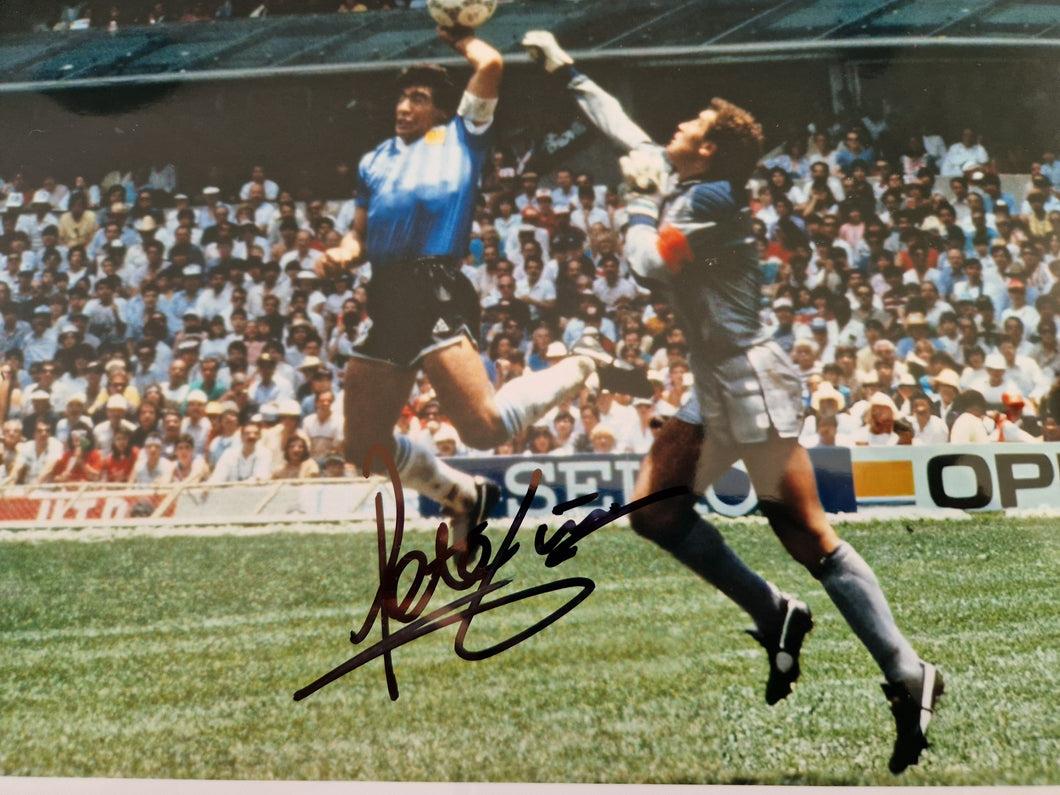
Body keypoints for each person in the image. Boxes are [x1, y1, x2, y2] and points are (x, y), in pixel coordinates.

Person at [523, 30, 941, 774]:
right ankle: (775, 612)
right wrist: (566, 69)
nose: (674, 129)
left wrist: (634, 204)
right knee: (652, 510)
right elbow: (621, 126)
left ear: (709, 150)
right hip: (719, 378)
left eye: (689, 126)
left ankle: (908, 672)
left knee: (809, 538)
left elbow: (650, 265)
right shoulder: (694, 182)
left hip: (750, 377)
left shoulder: (710, 198)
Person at [315, 26, 637, 545]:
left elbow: (489, 65)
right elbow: (357, 237)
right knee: (364, 447)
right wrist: (340, 255)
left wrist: (458, 33)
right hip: (388, 293)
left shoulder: (463, 134)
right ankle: (464, 496)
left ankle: (579, 366)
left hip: (436, 284)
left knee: (483, 428)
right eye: (402, 96)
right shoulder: (374, 160)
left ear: (442, 110)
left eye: (417, 98)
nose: (404, 105)